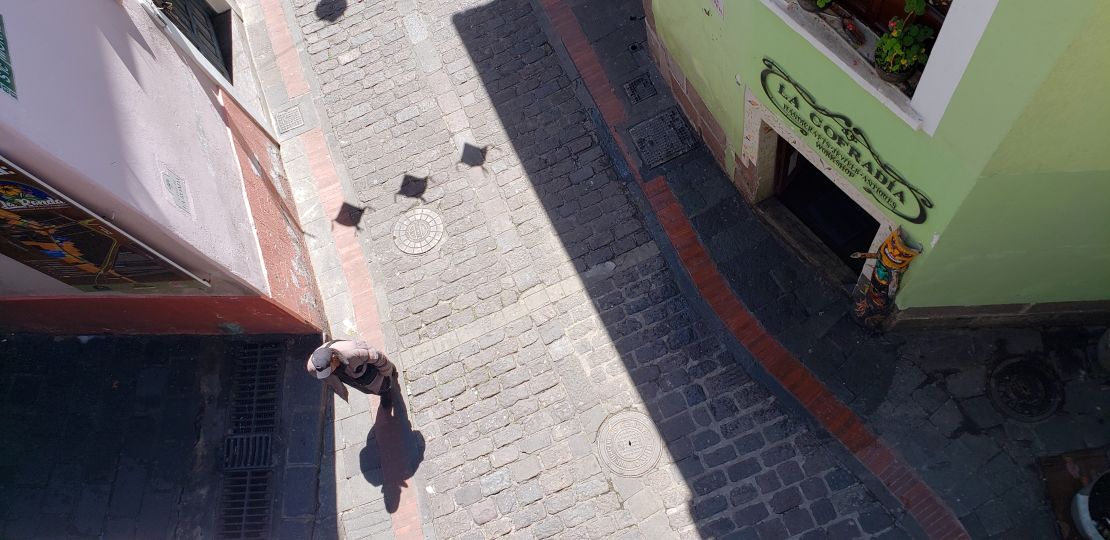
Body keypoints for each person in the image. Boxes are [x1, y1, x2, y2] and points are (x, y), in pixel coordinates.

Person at [307, 339, 396, 409]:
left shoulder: (354, 352)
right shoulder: (315, 367)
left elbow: (378, 358)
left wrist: (388, 372)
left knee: (384, 386)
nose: (329, 374)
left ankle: (387, 390)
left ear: (334, 358)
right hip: (356, 380)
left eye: (329, 370)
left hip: (371, 374)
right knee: (369, 390)